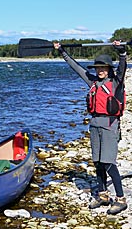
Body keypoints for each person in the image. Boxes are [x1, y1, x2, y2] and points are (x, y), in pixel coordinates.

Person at [53, 40, 128, 215]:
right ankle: (102, 195)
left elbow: (123, 67)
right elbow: (76, 67)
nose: (100, 70)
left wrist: (122, 52)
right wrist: (62, 51)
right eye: (97, 68)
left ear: (109, 68)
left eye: (103, 68)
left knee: (109, 163)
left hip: (110, 125)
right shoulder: (92, 82)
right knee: (98, 163)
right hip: (95, 124)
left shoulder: (116, 82)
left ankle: (121, 199)